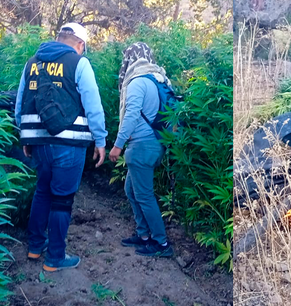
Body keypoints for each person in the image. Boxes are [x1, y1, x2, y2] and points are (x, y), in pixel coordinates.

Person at [15, 22, 107, 271]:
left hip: (38, 143)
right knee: (62, 200)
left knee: (42, 191)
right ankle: (55, 258)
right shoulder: (79, 63)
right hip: (70, 143)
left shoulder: (31, 63)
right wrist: (100, 140)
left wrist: (26, 137)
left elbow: (21, 101)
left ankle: (35, 248)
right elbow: (92, 104)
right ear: (80, 44)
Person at [108, 42, 174, 258]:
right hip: (156, 144)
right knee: (131, 190)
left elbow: (131, 115)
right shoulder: (159, 78)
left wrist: (117, 146)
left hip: (142, 146)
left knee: (144, 196)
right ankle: (143, 235)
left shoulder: (137, 82)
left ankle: (161, 243)